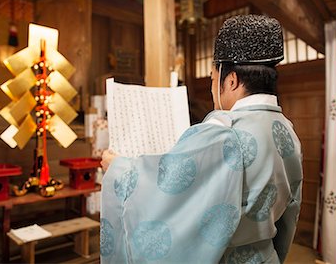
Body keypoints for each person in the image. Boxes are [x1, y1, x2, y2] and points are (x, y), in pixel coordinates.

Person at [100, 14, 302, 263]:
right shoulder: (287, 131)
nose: (212, 88)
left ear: (231, 80)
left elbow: (166, 193)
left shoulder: (224, 133)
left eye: (213, 79)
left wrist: (119, 169)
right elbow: (290, 214)